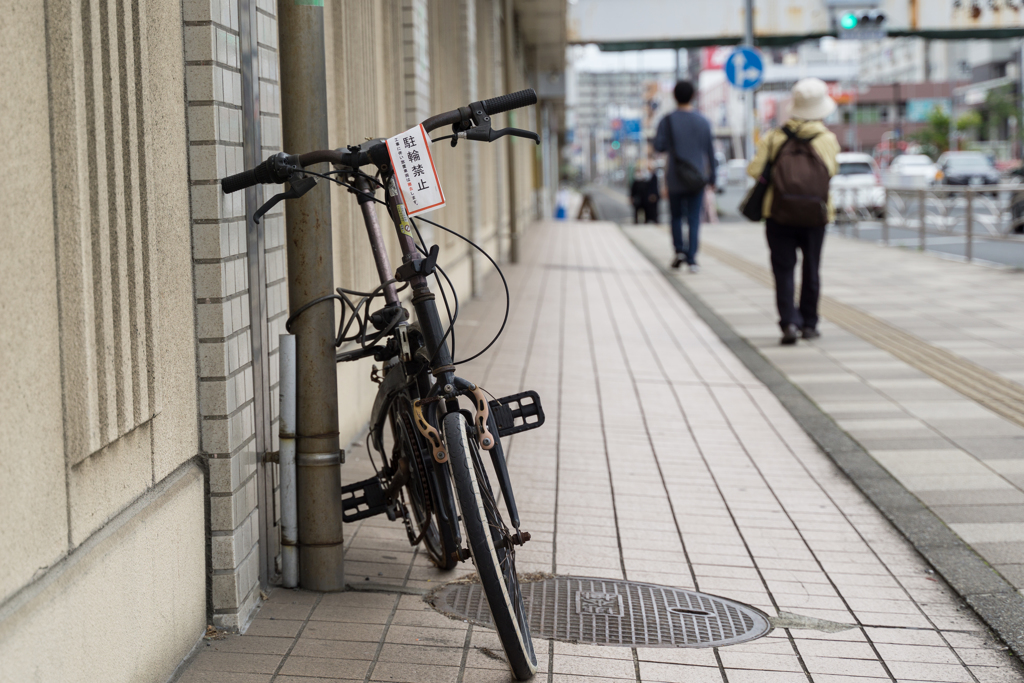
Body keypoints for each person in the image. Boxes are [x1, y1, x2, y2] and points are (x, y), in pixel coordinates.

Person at [747, 77, 841, 345]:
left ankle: (789, 322)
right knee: (812, 268)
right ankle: (810, 324)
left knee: (784, 270)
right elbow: (831, 172)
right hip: (816, 214)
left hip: (779, 213)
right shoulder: (827, 139)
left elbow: (754, 170)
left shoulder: (775, 137)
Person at [653, 81, 717, 273]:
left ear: (675, 97)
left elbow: (659, 146)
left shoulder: (667, 120)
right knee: (694, 218)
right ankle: (692, 258)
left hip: (675, 177)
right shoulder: (703, 121)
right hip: (697, 178)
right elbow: (710, 152)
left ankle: (679, 250)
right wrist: (712, 178)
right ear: (693, 96)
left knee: (676, 216)